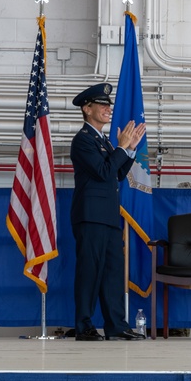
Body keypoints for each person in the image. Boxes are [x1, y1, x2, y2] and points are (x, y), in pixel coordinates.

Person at [70, 83, 146, 341]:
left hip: (109, 216)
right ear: (86, 108)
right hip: (91, 216)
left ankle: (117, 325)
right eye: (102, 104)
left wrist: (130, 148)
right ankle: (84, 326)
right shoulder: (83, 140)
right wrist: (122, 148)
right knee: (89, 271)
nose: (107, 108)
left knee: (113, 273)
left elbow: (119, 173)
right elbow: (103, 172)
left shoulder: (102, 141)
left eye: (108, 104)